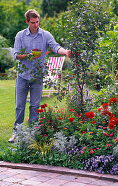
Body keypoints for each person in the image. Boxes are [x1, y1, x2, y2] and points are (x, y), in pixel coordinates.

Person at [8, 9, 72, 142]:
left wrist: (65, 52)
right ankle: (17, 132)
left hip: (38, 75)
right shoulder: (20, 35)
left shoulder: (45, 35)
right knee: (20, 105)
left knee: (35, 106)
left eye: (37, 22)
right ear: (27, 22)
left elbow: (55, 47)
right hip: (23, 75)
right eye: (33, 23)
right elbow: (16, 55)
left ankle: (33, 131)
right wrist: (28, 56)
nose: (36, 25)